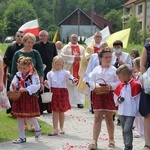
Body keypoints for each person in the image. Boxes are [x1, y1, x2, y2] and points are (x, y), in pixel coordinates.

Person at [10, 33, 44, 130]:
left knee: (32, 102)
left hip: (33, 80)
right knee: (22, 103)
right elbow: (13, 70)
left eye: (32, 42)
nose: (30, 44)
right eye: (28, 42)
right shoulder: (17, 53)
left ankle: (33, 123)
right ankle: (24, 124)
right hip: (20, 80)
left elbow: (40, 68)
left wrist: (41, 82)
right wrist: (13, 84)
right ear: (24, 42)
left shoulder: (35, 53)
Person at [88, 47, 119, 150]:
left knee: (109, 118)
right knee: (97, 118)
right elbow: (91, 81)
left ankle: (111, 139)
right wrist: (96, 86)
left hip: (109, 94)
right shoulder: (96, 69)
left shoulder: (114, 70)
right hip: (98, 94)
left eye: (110, 57)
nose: (108, 59)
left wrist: (110, 86)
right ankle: (94, 141)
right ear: (100, 58)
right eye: (106, 57)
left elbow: (119, 82)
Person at [10, 56, 41, 143]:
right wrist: (13, 85)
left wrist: (26, 89)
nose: (22, 70)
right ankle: (22, 137)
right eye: (20, 68)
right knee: (19, 117)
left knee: (29, 116)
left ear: (30, 67)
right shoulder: (18, 74)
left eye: (24, 68)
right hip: (20, 98)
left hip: (29, 98)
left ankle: (37, 127)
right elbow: (14, 83)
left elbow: (37, 85)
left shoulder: (33, 75)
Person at [44, 56, 78, 135]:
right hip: (54, 92)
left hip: (62, 92)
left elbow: (71, 78)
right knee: (55, 111)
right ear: (54, 64)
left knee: (62, 111)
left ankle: (62, 128)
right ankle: (55, 129)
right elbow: (49, 85)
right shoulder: (50, 73)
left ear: (62, 65)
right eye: (57, 64)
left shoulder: (65, 72)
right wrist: (46, 84)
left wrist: (74, 80)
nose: (58, 66)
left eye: (60, 64)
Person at [114, 64, 142, 150]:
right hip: (122, 111)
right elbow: (115, 97)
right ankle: (126, 145)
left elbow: (138, 99)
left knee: (127, 129)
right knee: (124, 130)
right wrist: (118, 101)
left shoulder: (136, 85)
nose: (119, 79)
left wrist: (137, 111)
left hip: (130, 112)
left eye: (120, 77)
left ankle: (129, 146)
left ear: (126, 76)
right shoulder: (120, 85)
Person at [33, 30, 57, 114]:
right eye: (40, 36)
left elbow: (55, 57)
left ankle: (49, 107)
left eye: (43, 35)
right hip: (40, 69)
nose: (41, 37)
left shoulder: (52, 45)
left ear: (47, 36)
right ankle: (41, 108)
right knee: (40, 87)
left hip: (50, 70)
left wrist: (54, 67)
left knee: (49, 87)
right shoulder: (36, 45)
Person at [83, 42, 108, 113]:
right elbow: (90, 67)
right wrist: (87, 79)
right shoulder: (94, 56)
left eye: (106, 47)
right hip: (95, 78)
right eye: (103, 47)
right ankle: (94, 108)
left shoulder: (110, 57)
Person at [61, 34, 85, 108]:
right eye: (72, 38)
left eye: (75, 38)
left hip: (79, 68)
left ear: (77, 39)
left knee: (79, 84)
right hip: (70, 68)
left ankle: (79, 102)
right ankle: (68, 101)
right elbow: (62, 56)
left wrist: (79, 58)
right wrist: (73, 58)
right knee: (69, 86)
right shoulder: (66, 47)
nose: (74, 39)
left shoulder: (81, 48)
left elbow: (85, 57)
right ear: (70, 39)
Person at [112, 40, 132, 125]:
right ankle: (113, 113)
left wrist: (123, 63)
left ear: (121, 47)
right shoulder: (112, 56)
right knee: (114, 96)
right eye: (115, 47)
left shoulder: (126, 55)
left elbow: (130, 66)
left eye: (118, 47)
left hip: (123, 78)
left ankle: (120, 117)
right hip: (114, 77)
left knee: (121, 96)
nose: (117, 49)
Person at [3, 31, 24, 113]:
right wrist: (13, 65)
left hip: (23, 73)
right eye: (18, 36)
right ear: (15, 37)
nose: (20, 38)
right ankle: (12, 109)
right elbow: (5, 59)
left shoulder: (25, 48)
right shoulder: (10, 47)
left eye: (22, 36)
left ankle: (21, 109)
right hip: (12, 71)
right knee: (12, 89)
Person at [77, 31, 102, 96]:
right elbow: (86, 57)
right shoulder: (90, 47)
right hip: (93, 70)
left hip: (102, 69)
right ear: (94, 38)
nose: (98, 38)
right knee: (91, 87)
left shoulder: (104, 46)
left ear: (101, 38)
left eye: (99, 37)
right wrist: (96, 56)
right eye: (96, 36)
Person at [139, 43, 150, 150]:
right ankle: (147, 143)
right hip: (149, 85)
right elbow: (142, 65)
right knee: (148, 115)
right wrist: (148, 82)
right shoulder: (147, 47)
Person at [132, 57, 144, 138]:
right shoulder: (136, 75)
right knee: (135, 114)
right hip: (135, 96)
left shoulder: (142, 75)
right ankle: (137, 129)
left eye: (134, 65)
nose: (133, 67)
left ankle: (141, 130)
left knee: (139, 115)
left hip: (140, 96)